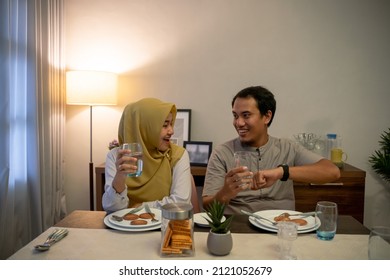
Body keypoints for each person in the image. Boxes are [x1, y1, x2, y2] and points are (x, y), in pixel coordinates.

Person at [202, 86, 340, 214]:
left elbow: (332, 172)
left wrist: (281, 172)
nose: (238, 123)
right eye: (235, 116)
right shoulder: (222, 153)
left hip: (282, 227)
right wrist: (226, 192)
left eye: (246, 115)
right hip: (239, 228)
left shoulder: (288, 148)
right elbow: (207, 207)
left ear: (267, 116)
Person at [102, 98, 192, 212]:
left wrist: (137, 207)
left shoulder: (178, 155)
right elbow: (111, 208)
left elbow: (180, 204)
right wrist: (119, 176)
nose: (171, 131)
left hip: (163, 226)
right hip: (123, 227)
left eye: (171, 124)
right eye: (165, 125)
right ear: (143, 128)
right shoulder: (116, 156)